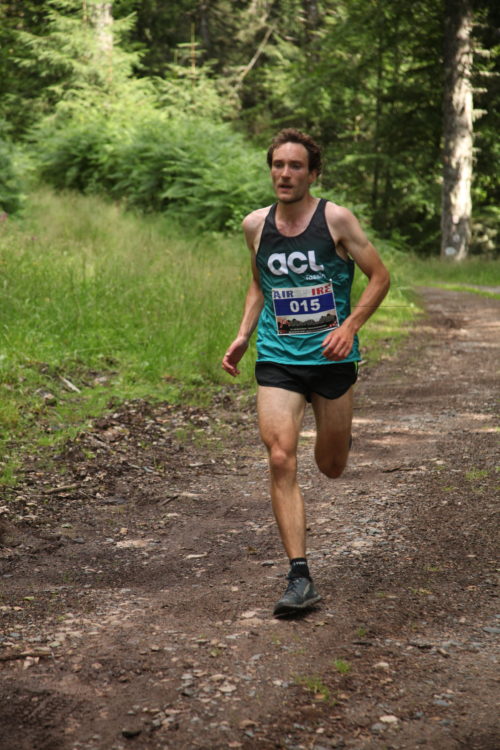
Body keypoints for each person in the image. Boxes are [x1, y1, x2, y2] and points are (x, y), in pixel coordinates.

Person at [222, 128, 390, 617]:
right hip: (278, 358)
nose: (285, 174)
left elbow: (379, 276)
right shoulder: (255, 225)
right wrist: (243, 334)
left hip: (332, 359)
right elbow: (259, 283)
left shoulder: (334, 219)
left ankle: (330, 435)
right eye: (278, 165)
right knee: (279, 456)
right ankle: (300, 576)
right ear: (270, 169)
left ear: (312, 173)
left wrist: (352, 324)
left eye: (296, 166)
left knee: (332, 465)